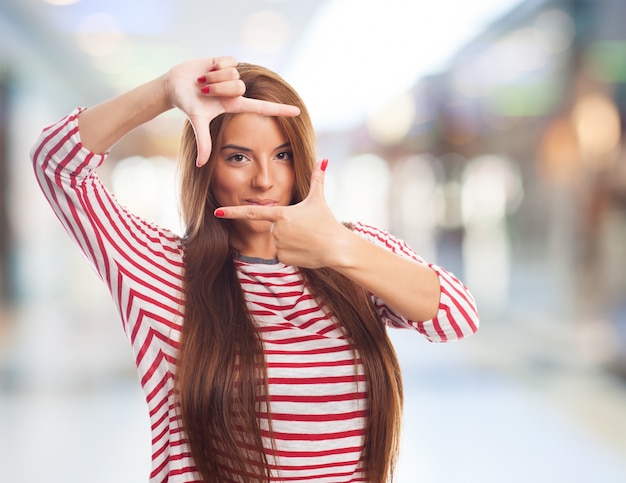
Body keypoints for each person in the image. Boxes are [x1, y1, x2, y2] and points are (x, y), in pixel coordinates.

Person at [31, 56, 479, 483]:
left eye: (282, 155)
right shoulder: (164, 271)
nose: (264, 180)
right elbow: (56, 166)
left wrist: (340, 247)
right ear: (205, 165)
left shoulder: (354, 252)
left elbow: (457, 318)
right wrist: (165, 91)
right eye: (239, 157)